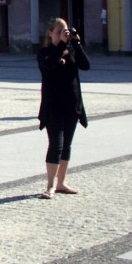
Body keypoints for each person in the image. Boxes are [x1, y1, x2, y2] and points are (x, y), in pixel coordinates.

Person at [37, 17, 90, 199]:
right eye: (59, 31)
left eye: (65, 31)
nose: (63, 34)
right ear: (50, 33)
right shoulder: (44, 53)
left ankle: (61, 183)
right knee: (56, 145)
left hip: (71, 106)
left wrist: (76, 44)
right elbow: (50, 64)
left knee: (66, 145)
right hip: (53, 107)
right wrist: (61, 47)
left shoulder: (72, 51)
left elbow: (86, 66)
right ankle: (50, 185)